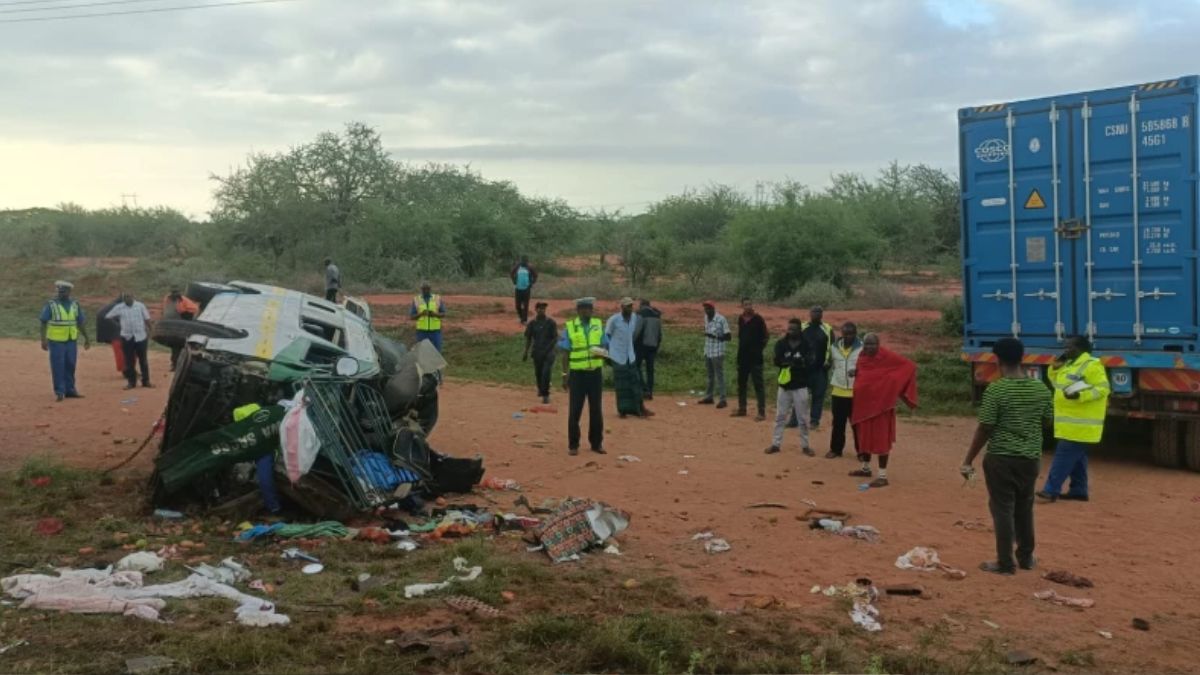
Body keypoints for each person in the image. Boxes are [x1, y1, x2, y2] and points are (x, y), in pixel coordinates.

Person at [960, 337, 1053, 575]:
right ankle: (1026, 557)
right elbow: (1046, 421)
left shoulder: (996, 390)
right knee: (1025, 507)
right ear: (1023, 358)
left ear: (997, 359)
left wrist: (968, 459)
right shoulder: (1041, 389)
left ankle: (1005, 562)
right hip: (1030, 458)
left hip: (1001, 458)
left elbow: (985, 428)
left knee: (1002, 509)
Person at [1037, 336, 1109, 503]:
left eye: (1069, 347)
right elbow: (1055, 382)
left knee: (1064, 456)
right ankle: (1079, 489)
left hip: (1082, 423)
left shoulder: (1092, 365)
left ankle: (1051, 490)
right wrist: (1055, 366)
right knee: (1077, 457)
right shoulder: (1069, 364)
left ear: (1080, 349)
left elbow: (1103, 389)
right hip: (1069, 421)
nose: (1065, 350)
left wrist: (1080, 395)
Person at [848, 334, 917, 487]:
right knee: (863, 437)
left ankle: (882, 476)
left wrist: (892, 384)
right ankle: (865, 468)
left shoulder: (887, 356)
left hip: (881, 407)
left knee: (880, 441)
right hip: (863, 405)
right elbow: (865, 373)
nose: (869, 348)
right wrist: (855, 372)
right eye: (866, 344)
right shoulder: (862, 356)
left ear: (878, 344)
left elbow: (909, 366)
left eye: (872, 344)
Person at [559, 297, 609, 455]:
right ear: (578, 311)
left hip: (595, 374)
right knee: (575, 411)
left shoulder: (598, 325)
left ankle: (596, 444)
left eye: (589, 308)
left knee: (596, 410)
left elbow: (604, 346)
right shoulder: (570, 327)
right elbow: (565, 352)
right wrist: (565, 374)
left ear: (592, 310)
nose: (586, 311)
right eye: (583, 309)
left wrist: (601, 356)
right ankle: (573, 445)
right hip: (577, 375)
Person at [766, 318, 814, 455]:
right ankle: (775, 444)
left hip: (800, 386)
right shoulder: (781, 344)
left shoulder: (806, 345)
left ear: (800, 330)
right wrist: (795, 362)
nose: (791, 331)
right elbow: (777, 360)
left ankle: (805, 446)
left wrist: (792, 363)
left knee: (803, 418)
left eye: (794, 329)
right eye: (789, 328)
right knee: (780, 416)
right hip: (784, 386)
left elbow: (810, 361)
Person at [40, 280, 91, 402]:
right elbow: (43, 322)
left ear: (69, 292)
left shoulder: (75, 304)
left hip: (71, 340)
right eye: (59, 291)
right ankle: (60, 391)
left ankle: (70, 390)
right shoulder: (51, 304)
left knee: (70, 364)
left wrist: (87, 338)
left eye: (63, 291)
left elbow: (80, 322)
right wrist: (43, 340)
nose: (60, 293)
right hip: (56, 340)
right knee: (58, 365)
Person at [606, 297, 653, 419]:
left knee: (635, 382)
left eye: (631, 306)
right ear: (622, 307)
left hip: (630, 355)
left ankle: (640, 409)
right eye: (627, 306)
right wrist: (608, 353)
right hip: (617, 355)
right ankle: (623, 410)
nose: (630, 308)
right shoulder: (614, 320)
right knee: (621, 385)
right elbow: (607, 336)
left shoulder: (634, 318)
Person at [827, 322, 863, 459]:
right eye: (846, 334)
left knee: (857, 424)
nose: (849, 336)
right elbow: (830, 363)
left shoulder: (862, 348)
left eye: (851, 333)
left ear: (856, 333)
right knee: (838, 423)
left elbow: (869, 367)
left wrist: (858, 371)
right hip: (838, 391)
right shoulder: (834, 348)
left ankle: (862, 452)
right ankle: (836, 450)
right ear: (841, 334)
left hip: (856, 392)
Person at [106, 292, 154, 390]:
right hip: (127, 337)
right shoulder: (119, 307)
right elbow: (108, 317)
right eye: (125, 297)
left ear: (133, 296)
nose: (127, 299)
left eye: (129, 296)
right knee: (129, 361)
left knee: (143, 360)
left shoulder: (140, 306)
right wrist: (119, 324)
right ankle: (131, 382)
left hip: (140, 336)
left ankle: (146, 381)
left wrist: (151, 330)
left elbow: (147, 319)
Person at [733, 297, 769, 421]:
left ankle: (761, 412)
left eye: (749, 304)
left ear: (752, 305)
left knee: (758, 385)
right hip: (743, 357)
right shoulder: (741, 319)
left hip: (755, 358)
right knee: (741, 384)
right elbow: (740, 337)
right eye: (745, 304)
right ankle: (742, 408)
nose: (748, 306)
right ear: (742, 306)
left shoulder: (758, 319)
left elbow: (765, 337)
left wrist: (758, 350)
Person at [802, 306, 833, 429]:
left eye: (819, 312)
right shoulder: (803, 327)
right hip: (804, 368)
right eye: (814, 312)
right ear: (809, 313)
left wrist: (829, 362)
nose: (816, 314)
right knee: (800, 395)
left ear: (822, 315)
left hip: (820, 368)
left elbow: (832, 347)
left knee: (818, 395)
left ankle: (814, 420)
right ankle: (795, 419)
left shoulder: (827, 329)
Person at [523, 301, 558, 404]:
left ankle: (546, 395)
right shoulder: (532, 323)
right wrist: (525, 352)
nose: (541, 310)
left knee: (546, 373)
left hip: (548, 352)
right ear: (536, 310)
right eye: (539, 308)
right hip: (537, 352)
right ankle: (540, 388)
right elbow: (529, 339)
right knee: (538, 373)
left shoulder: (551, 322)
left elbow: (555, 338)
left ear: (545, 310)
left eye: (543, 308)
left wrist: (548, 350)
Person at [699, 301, 731, 408]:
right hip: (708, 350)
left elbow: (728, 337)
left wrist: (715, 336)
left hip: (717, 351)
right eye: (705, 308)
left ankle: (723, 399)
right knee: (710, 375)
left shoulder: (721, 319)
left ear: (713, 309)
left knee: (719, 376)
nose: (706, 310)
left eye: (708, 308)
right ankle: (709, 397)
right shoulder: (705, 318)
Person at [161, 286, 200, 370]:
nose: (174, 294)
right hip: (171, 325)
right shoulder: (167, 299)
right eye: (173, 292)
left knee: (180, 345)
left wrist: (184, 313)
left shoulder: (183, 300)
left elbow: (195, 309)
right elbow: (165, 311)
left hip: (181, 326)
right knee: (174, 346)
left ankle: (180, 364)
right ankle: (174, 364)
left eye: (176, 292)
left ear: (179, 293)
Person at [633, 299, 663, 400]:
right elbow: (659, 334)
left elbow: (637, 331)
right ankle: (650, 391)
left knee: (637, 367)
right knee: (650, 370)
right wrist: (657, 345)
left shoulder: (640, 314)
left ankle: (644, 388)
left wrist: (632, 342)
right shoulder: (657, 315)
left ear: (641, 305)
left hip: (641, 345)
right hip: (653, 346)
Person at [410, 281, 446, 352]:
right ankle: (423, 363)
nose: (426, 290)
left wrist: (435, 314)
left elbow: (443, 313)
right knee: (422, 352)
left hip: (435, 331)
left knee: (437, 351)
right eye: (424, 289)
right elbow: (412, 316)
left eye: (427, 289)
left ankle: (436, 363)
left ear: (430, 289)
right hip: (422, 332)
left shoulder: (437, 298)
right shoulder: (416, 299)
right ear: (421, 289)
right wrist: (421, 314)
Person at [96, 295, 126, 376]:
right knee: (120, 346)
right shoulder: (118, 306)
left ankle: (125, 369)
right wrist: (118, 326)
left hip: (105, 325)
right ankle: (126, 370)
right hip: (109, 325)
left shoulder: (113, 305)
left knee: (120, 345)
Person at [510, 256, 538, 325]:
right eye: (522, 261)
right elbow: (511, 273)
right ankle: (521, 317)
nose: (524, 263)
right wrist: (514, 281)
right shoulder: (517, 267)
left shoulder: (530, 267)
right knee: (517, 306)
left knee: (525, 305)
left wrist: (531, 283)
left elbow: (535, 275)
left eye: (525, 262)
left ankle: (524, 320)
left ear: (527, 262)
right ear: (520, 261)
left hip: (526, 289)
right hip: (518, 289)